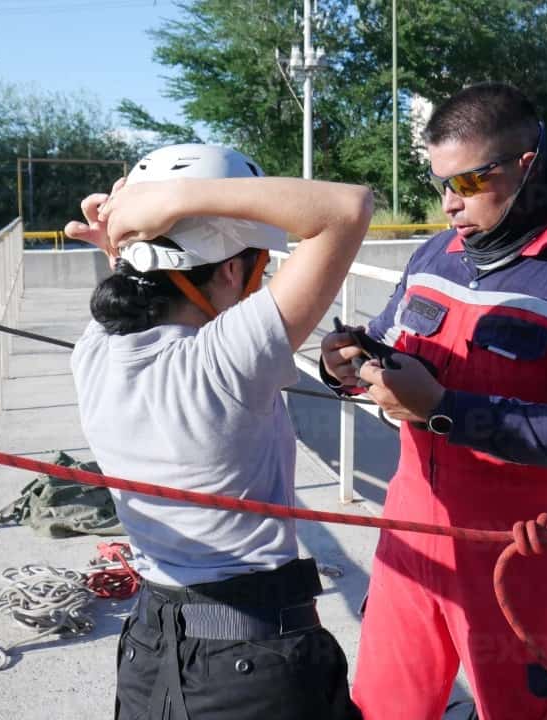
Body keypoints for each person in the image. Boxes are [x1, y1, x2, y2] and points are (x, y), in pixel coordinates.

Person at [320, 83, 547, 720]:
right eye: (438, 182)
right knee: (383, 709)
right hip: (411, 534)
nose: (448, 204)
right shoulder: (432, 256)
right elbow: (388, 341)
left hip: (523, 557)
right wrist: (346, 363)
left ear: (527, 166)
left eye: (469, 183)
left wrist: (442, 407)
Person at [65, 143, 372, 720]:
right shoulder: (225, 359)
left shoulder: (95, 348)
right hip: (252, 663)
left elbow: (136, 282)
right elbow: (347, 208)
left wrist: (133, 225)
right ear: (232, 268)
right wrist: (174, 200)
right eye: (258, 269)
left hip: (151, 648)